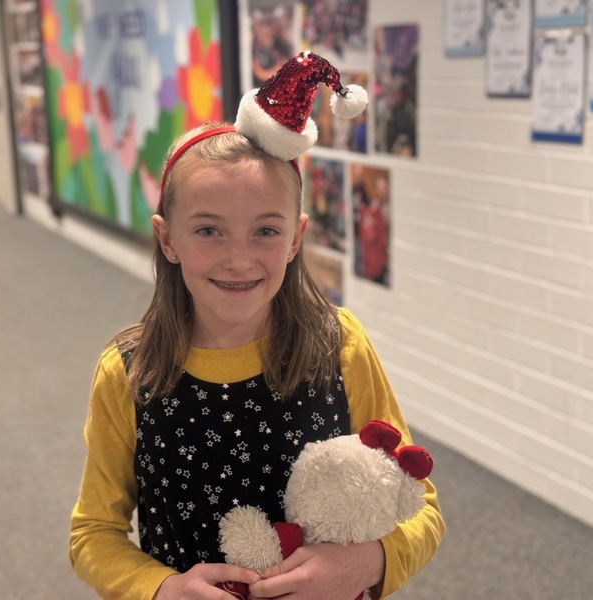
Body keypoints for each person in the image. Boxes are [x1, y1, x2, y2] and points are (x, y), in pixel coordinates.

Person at [69, 51, 444, 600]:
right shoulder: (129, 373)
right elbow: (93, 533)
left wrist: (368, 562)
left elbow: (419, 503)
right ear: (167, 238)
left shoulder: (337, 345)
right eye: (209, 231)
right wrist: (160, 589)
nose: (239, 259)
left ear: (297, 237)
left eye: (266, 231)